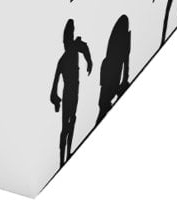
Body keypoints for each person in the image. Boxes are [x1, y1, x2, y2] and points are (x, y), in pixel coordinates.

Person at [50, 19, 93, 168]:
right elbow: (54, 84)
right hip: (68, 92)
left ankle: (68, 154)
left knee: (72, 120)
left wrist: (89, 61)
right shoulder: (63, 59)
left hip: (74, 91)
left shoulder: (74, 48)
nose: (67, 42)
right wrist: (56, 99)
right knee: (65, 126)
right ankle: (62, 159)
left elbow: (85, 48)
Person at [97, 15, 131, 125]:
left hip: (111, 84)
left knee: (103, 110)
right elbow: (125, 61)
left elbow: (125, 60)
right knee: (103, 109)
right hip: (110, 85)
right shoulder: (109, 61)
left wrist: (124, 82)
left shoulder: (110, 59)